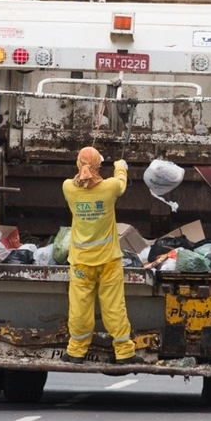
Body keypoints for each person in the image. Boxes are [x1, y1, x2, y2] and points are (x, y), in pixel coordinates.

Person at [60, 146, 144, 365]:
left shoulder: (68, 188)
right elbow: (121, 182)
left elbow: (80, 180)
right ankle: (125, 352)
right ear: (99, 166)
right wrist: (120, 166)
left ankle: (76, 351)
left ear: (78, 165)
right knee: (114, 307)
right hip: (108, 261)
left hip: (81, 262)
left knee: (79, 308)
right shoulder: (110, 188)